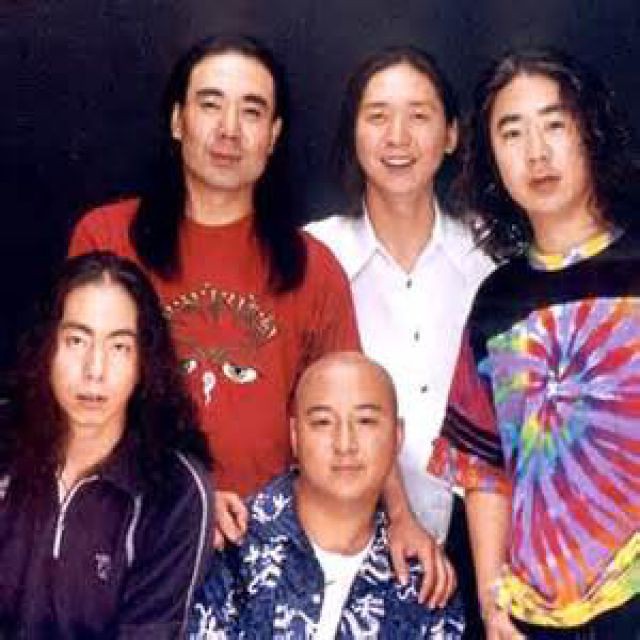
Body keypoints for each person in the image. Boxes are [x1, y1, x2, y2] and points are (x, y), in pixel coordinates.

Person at [68, 35, 360, 540]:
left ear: (273, 135)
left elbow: (344, 415)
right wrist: (189, 498)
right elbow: (73, 399)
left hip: (266, 536)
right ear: (177, 120)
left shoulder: (313, 266)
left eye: (251, 111)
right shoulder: (107, 239)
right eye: (210, 104)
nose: (229, 129)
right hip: (127, 527)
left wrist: (399, 513)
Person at [429, 48, 640, 639]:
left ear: (591, 132)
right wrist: (493, 607)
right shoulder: (497, 301)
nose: (536, 152)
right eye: (512, 132)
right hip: (536, 615)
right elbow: (482, 468)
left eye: (555, 124)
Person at [306, 46, 493, 634]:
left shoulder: (489, 258)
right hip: (344, 541)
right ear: (354, 133)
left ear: (452, 134)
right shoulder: (314, 255)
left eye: (419, 115)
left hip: (480, 540)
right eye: (378, 116)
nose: (398, 137)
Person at [0, 251, 213, 638]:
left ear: (143, 362)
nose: (94, 370)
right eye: (76, 341)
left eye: (119, 347)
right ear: (47, 347)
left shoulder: (176, 490)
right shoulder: (6, 443)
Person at [189, 352, 465, 639]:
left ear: (397, 436)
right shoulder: (229, 542)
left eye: (365, 421)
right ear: (295, 435)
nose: (345, 444)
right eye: (323, 422)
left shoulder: (423, 582)